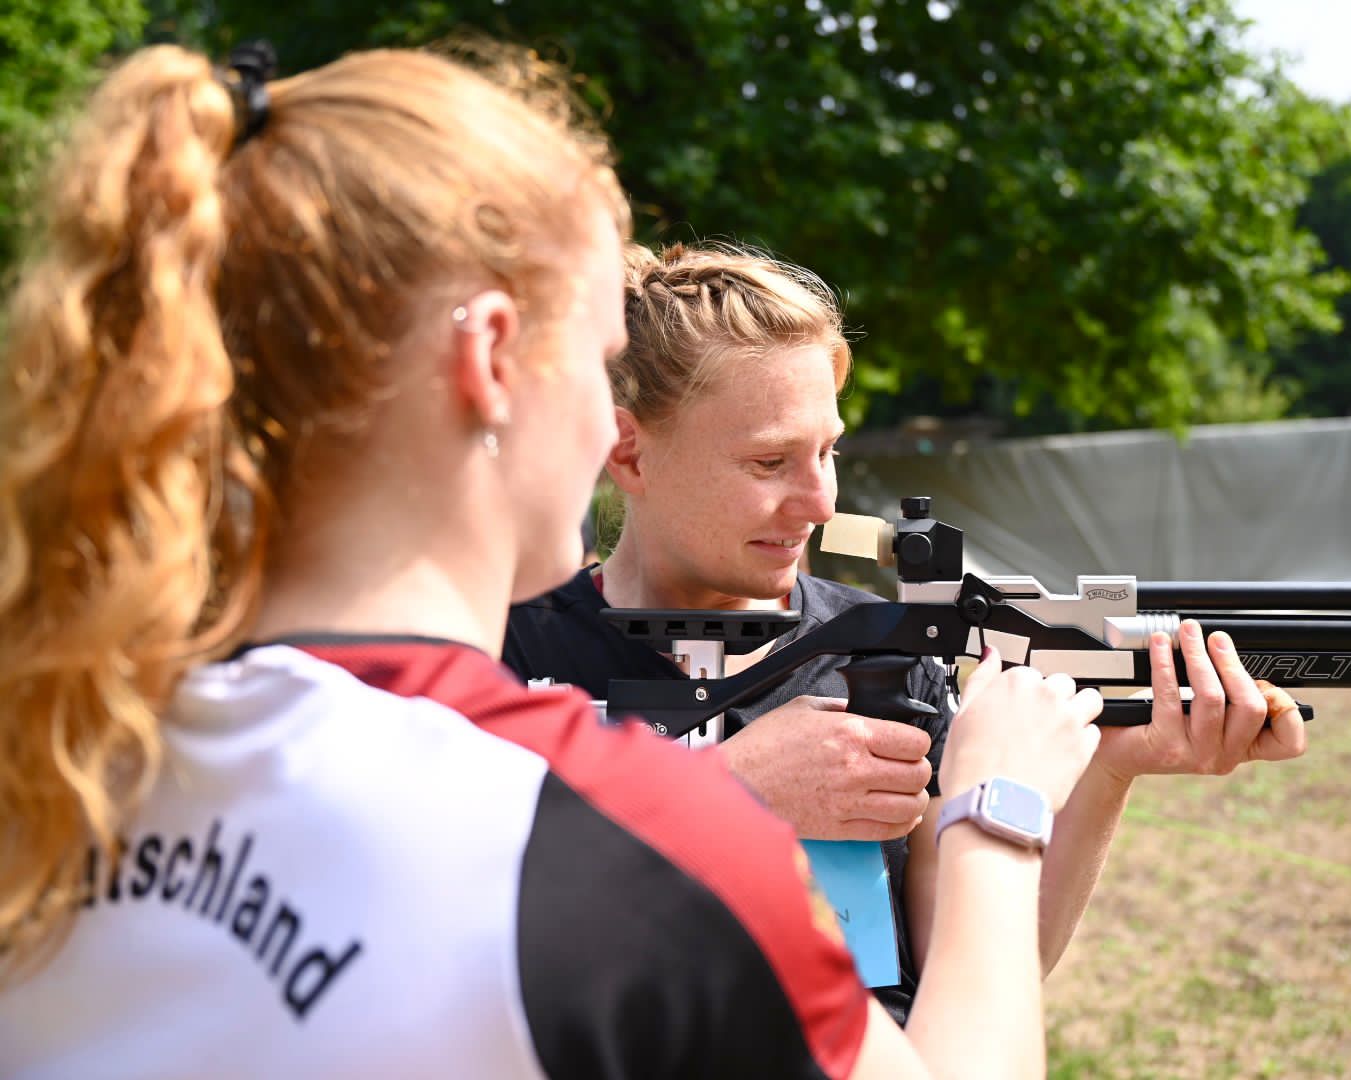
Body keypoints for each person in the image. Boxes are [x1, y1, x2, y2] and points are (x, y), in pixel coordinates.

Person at [0, 40, 1118, 1079]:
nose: (605, 428)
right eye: (598, 360)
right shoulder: (627, 835)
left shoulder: (62, 743)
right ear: (490, 358)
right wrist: (993, 809)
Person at [503, 241, 1311, 1023]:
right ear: (630, 452)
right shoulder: (508, 656)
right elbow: (464, 941)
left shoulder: (880, 646)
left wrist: (1108, 771)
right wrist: (731, 791)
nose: (820, 501)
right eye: (768, 462)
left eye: (828, 452)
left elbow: (980, 974)